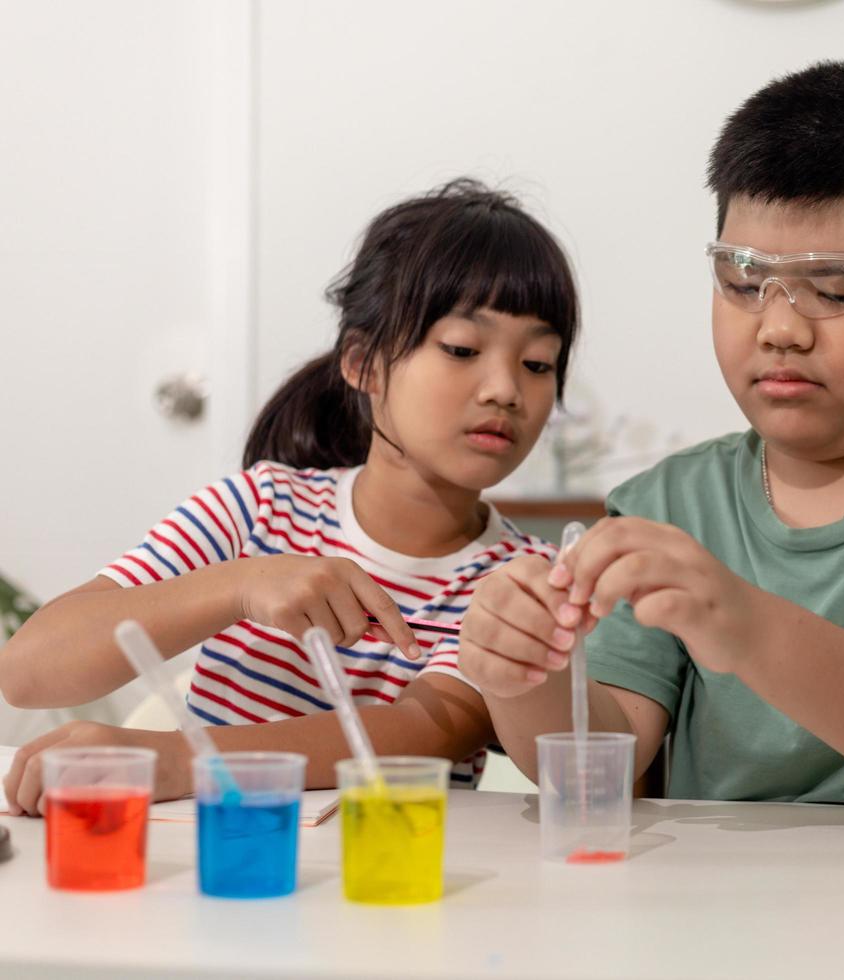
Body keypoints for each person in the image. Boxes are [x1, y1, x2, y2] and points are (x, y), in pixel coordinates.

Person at [459, 61, 844, 804]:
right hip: (718, 909)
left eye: (839, 289)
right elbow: (607, 758)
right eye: (744, 283)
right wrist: (527, 677)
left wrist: (747, 626)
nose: (780, 328)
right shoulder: (667, 504)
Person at [1, 178, 579, 813]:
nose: (505, 389)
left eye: (538, 364)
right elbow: (28, 670)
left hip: (389, 887)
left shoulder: (520, 578)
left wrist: (166, 759)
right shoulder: (260, 508)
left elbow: (416, 736)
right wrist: (240, 585)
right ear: (362, 363)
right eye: (463, 349)